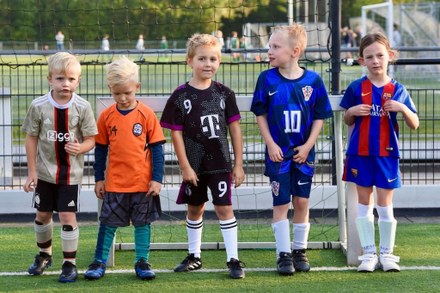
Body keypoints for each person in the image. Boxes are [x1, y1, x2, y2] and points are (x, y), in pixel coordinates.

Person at [160, 33, 246, 279]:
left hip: (220, 163)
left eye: (213, 59)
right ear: (190, 61)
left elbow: (235, 129)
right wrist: (185, 166)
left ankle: (233, 259)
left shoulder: (224, 94)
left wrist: (238, 165)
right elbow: (175, 134)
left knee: (224, 208)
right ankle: (194, 256)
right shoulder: (180, 96)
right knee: (195, 209)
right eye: (202, 59)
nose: (208, 64)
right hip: (194, 165)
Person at [250, 23, 333, 276]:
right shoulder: (267, 78)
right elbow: (260, 114)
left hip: (304, 154)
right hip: (278, 153)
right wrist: (271, 144)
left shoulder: (313, 81)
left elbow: (320, 116)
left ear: (295, 51)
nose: (270, 51)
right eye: (269, 46)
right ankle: (283, 254)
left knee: (302, 200)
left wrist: (309, 145)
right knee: (280, 202)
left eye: (275, 46)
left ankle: (299, 250)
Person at [340, 32, 419, 273]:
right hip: (360, 154)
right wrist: (352, 110)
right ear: (362, 60)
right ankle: (369, 254)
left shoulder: (397, 89)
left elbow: (414, 123)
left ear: (390, 57)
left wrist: (403, 108)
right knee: (364, 202)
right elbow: (346, 119)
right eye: (369, 57)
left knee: (385, 204)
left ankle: (387, 254)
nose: (375, 61)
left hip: (386, 154)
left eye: (380, 55)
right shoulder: (356, 87)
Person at [84, 56, 165, 281]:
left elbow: (158, 150)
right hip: (115, 183)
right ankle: (99, 261)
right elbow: (100, 151)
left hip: (142, 183)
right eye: (117, 93)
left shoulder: (147, 115)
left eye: (127, 93)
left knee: (142, 223)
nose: (122, 98)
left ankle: (142, 261)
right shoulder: (106, 116)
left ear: (136, 88)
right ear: (110, 89)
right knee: (108, 223)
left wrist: (157, 179)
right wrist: (98, 179)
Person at [21, 52, 98, 282]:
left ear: (79, 80)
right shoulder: (38, 106)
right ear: (49, 79)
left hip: (70, 175)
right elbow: (31, 138)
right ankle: (44, 255)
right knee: (42, 214)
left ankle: (69, 264)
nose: (66, 83)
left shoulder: (83, 107)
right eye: (60, 78)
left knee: (66, 215)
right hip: (44, 174)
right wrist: (32, 171)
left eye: (72, 79)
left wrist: (81, 148)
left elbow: (91, 139)